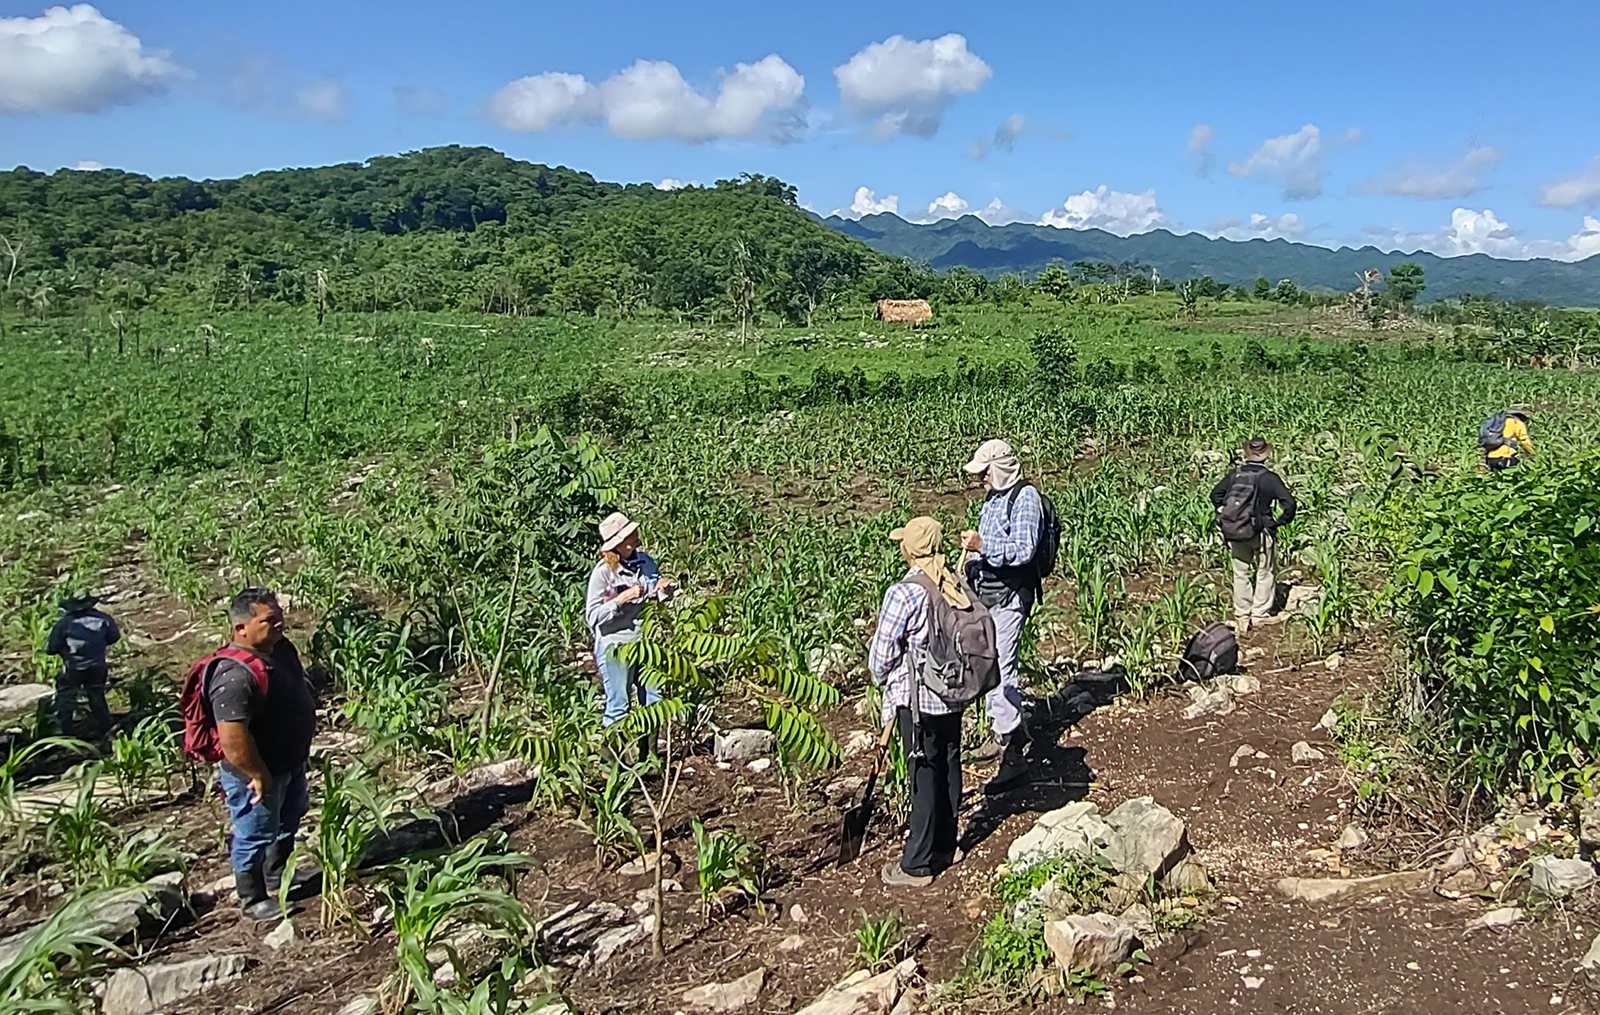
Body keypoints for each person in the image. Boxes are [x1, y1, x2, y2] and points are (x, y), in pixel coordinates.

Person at [190, 588, 317, 921]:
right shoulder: (233, 676)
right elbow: (233, 739)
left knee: (288, 820)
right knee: (255, 830)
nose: (280, 624)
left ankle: (278, 873)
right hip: (256, 772)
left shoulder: (280, 649)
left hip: (288, 760)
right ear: (241, 628)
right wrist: (258, 774)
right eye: (268, 619)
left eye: (279, 616)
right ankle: (253, 897)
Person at [869, 517, 972, 888]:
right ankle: (946, 845)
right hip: (953, 692)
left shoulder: (904, 592)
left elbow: (881, 653)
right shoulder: (954, 581)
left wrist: (883, 682)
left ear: (910, 549)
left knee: (923, 773)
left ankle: (917, 863)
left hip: (919, 697)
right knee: (948, 761)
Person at [960, 438, 1039, 794]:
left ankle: (1014, 756)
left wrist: (982, 547)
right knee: (990, 664)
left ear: (1000, 468)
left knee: (1002, 667)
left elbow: (1023, 551)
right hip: (988, 593)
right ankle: (1002, 733)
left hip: (1009, 597)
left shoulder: (1026, 500)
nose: (980, 479)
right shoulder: (993, 500)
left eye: (984, 472)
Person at [584, 512, 676, 727]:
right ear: (620, 543)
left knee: (655, 700)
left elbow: (655, 593)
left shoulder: (645, 562)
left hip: (644, 643)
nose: (637, 535)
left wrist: (664, 590)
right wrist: (620, 600)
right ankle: (614, 757)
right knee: (619, 705)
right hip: (615, 646)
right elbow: (592, 616)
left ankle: (650, 755)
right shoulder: (604, 573)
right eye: (630, 534)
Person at [1210, 437, 1297, 633]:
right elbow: (1289, 504)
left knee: (1241, 572)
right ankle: (1259, 615)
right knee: (1265, 572)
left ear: (1247, 453)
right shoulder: (1270, 478)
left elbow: (1215, 495)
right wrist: (1278, 522)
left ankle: (1242, 616)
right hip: (1261, 530)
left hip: (1236, 530)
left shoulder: (1235, 474)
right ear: (1266, 454)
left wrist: (1226, 513)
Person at [45, 590, 120, 737]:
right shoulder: (103, 619)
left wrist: (66, 651)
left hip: (73, 667)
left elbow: (51, 648)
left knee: (66, 699)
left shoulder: (65, 623)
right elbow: (113, 636)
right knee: (97, 697)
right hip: (97, 665)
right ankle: (106, 727)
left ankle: (66, 732)